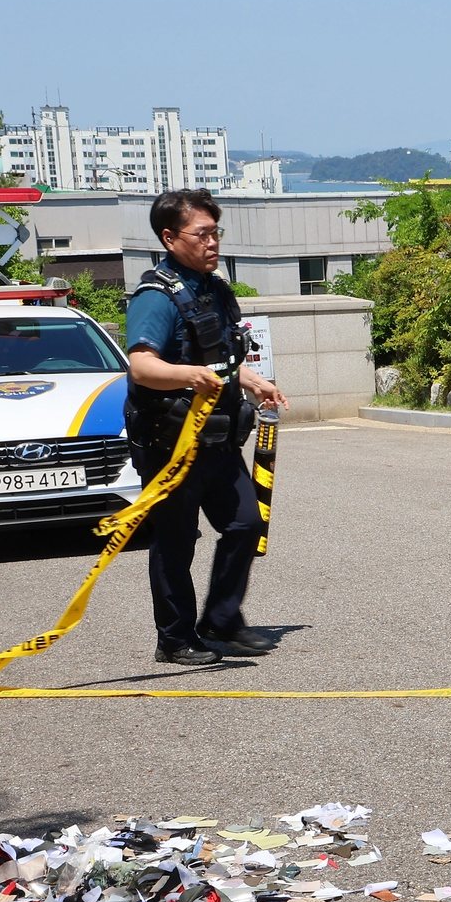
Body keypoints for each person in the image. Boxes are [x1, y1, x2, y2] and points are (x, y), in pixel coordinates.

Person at [124, 189, 288, 666]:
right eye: (203, 234)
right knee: (176, 541)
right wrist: (189, 376)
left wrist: (253, 381)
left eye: (217, 232)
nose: (213, 242)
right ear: (170, 238)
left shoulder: (214, 289)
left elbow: (219, 359)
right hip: (170, 445)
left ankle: (220, 620)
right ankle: (174, 639)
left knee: (245, 523)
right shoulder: (155, 297)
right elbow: (141, 367)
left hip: (216, 441)